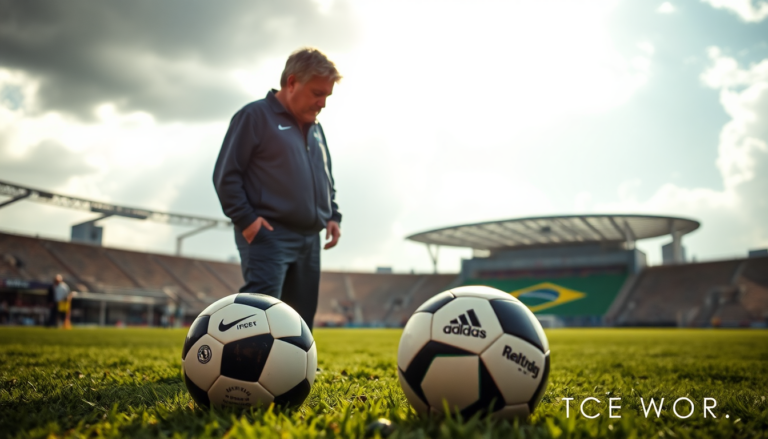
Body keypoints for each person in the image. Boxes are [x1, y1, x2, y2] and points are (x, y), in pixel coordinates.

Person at [213, 47, 342, 331]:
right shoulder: (254, 117)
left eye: (327, 96)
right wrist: (247, 221)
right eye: (317, 93)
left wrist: (333, 216)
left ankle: (295, 370)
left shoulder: (316, 127)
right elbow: (226, 175)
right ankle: (247, 368)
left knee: (300, 317)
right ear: (292, 82)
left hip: (310, 238)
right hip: (270, 234)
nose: (322, 103)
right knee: (261, 310)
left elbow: (325, 177)